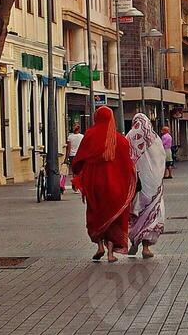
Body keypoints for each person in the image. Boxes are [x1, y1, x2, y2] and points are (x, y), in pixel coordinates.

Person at [71, 106, 136, 262]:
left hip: (94, 184)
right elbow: (128, 165)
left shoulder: (90, 135)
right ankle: (110, 253)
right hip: (114, 186)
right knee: (113, 218)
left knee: (95, 214)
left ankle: (100, 245)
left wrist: (77, 175)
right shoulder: (120, 140)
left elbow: (79, 159)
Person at [129, 115, 167, 258]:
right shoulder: (155, 138)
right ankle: (146, 247)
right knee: (151, 214)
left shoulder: (130, 137)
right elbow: (161, 158)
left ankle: (134, 241)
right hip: (153, 185)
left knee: (136, 212)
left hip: (137, 185)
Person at [65, 122, 85, 193]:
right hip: (80, 156)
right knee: (80, 171)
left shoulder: (70, 137)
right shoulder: (82, 136)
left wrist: (66, 158)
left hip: (72, 156)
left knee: (74, 172)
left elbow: (68, 148)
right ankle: (79, 185)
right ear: (79, 129)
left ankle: (75, 186)